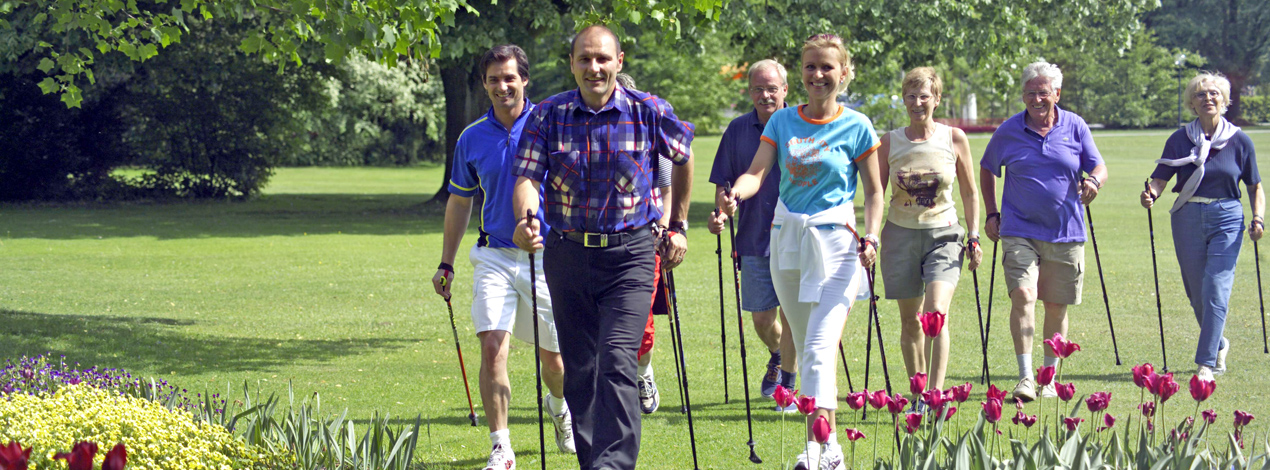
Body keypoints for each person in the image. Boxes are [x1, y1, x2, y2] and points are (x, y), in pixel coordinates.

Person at [510, 25, 694, 470]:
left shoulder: (648, 109)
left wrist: (678, 224)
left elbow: (683, 157)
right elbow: (528, 178)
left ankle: (614, 465)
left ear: (619, 60)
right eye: (585, 59)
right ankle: (595, 462)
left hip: (631, 254)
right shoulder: (548, 115)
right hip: (567, 253)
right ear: (571, 62)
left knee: (615, 359)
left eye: (602, 59)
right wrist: (525, 220)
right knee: (581, 368)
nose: (594, 68)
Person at [720, 33, 882, 470]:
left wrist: (873, 236)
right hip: (787, 242)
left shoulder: (859, 126)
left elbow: (874, 193)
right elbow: (756, 172)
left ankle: (816, 446)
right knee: (810, 345)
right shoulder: (782, 122)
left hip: (838, 247)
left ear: (844, 73)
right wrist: (736, 193)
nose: (817, 75)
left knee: (819, 347)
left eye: (827, 67)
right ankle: (831, 451)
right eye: (810, 66)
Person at [431, 44, 574, 470]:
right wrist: (447, 262)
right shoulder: (471, 137)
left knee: (556, 361)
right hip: (494, 255)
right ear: (484, 85)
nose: (502, 86)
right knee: (493, 347)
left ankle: (560, 406)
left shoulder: (550, 126)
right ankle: (501, 446)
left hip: (547, 257)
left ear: (524, 79)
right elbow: (459, 202)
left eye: (509, 77)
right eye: (493, 79)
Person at [979, 61, 1108, 403]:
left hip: (1066, 231)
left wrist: (1093, 180)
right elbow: (987, 168)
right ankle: (1024, 378)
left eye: (1043, 92)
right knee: (1023, 295)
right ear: (1023, 95)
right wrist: (992, 212)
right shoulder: (1008, 131)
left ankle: (1047, 379)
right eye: (1030, 93)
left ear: (1057, 94)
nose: (1037, 99)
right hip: (1019, 229)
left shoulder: (1076, 126)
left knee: (1056, 306)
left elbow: (1098, 165)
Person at [1140, 71, 1263, 382]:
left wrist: (1258, 218)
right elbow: (1161, 178)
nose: (1207, 98)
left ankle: (1206, 364)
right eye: (1200, 94)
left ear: (1223, 101)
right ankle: (1219, 343)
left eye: (1213, 94)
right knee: (1197, 293)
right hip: (1187, 217)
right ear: (1192, 104)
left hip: (1228, 217)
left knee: (1216, 288)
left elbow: (1254, 186)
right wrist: (1151, 193)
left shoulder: (1239, 140)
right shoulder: (1180, 139)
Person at [878, 67, 981, 395]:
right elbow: (875, 195)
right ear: (904, 100)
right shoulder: (889, 142)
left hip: (945, 236)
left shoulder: (953, 138)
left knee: (935, 315)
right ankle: (918, 395)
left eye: (924, 96)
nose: (917, 102)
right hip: (900, 237)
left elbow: (969, 191)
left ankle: (936, 394)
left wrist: (974, 235)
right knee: (910, 321)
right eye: (911, 96)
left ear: (936, 99)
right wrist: (868, 236)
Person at [706, 59, 799, 403]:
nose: (765, 95)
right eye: (758, 89)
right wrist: (722, 211)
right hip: (753, 235)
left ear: (785, 90)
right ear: (749, 92)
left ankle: (787, 380)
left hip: (795, 235)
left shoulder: (800, 124)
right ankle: (779, 356)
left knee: (791, 316)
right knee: (762, 319)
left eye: (772, 88)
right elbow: (724, 184)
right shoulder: (736, 130)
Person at [614, 72, 688, 416]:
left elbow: (666, 188)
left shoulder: (653, 137)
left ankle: (643, 373)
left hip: (644, 238)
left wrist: (664, 227)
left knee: (641, 322)